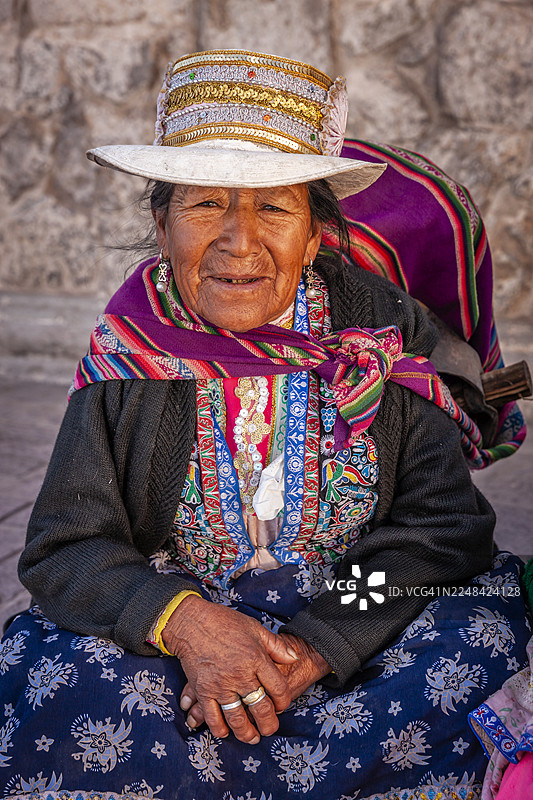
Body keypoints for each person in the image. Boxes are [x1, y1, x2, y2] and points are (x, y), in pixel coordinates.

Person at [0, 49, 530, 800]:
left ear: (313, 237)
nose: (239, 240)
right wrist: (187, 627)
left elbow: (440, 529)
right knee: (77, 691)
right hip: (182, 626)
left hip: (362, 614)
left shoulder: (378, 335)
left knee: (469, 654)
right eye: (205, 203)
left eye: (274, 207)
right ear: (162, 224)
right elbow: (64, 547)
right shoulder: (132, 349)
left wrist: (314, 646)